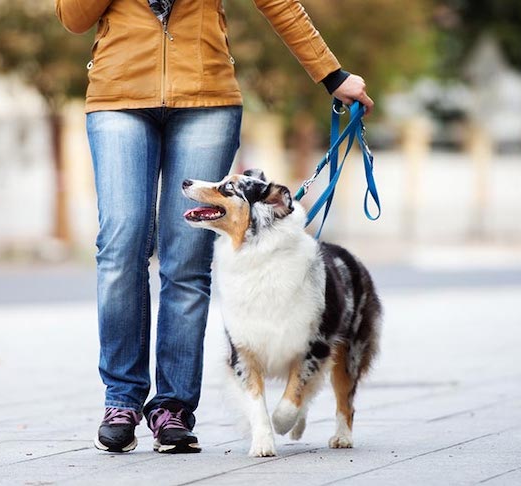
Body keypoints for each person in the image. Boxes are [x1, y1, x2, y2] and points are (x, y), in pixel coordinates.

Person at [54, 0, 374, 454]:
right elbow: (73, 18)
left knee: (186, 257)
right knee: (120, 246)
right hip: (118, 93)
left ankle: (173, 408)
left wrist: (332, 74)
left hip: (206, 96)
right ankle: (121, 399)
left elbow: (278, 3)